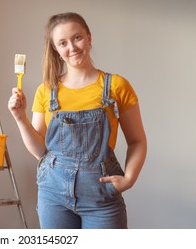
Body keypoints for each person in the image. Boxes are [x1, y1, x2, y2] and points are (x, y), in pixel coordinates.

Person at [8, 12, 147, 229]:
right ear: (56, 49)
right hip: (53, 196)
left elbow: (137, 140)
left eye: (77, 37)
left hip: (101, 198)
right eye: (63, 43)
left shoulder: (116, 86)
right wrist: (20, 117)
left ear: (89, 38)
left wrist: (129, 179)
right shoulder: (46, 90)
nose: (72, 47)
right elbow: (39, 151)